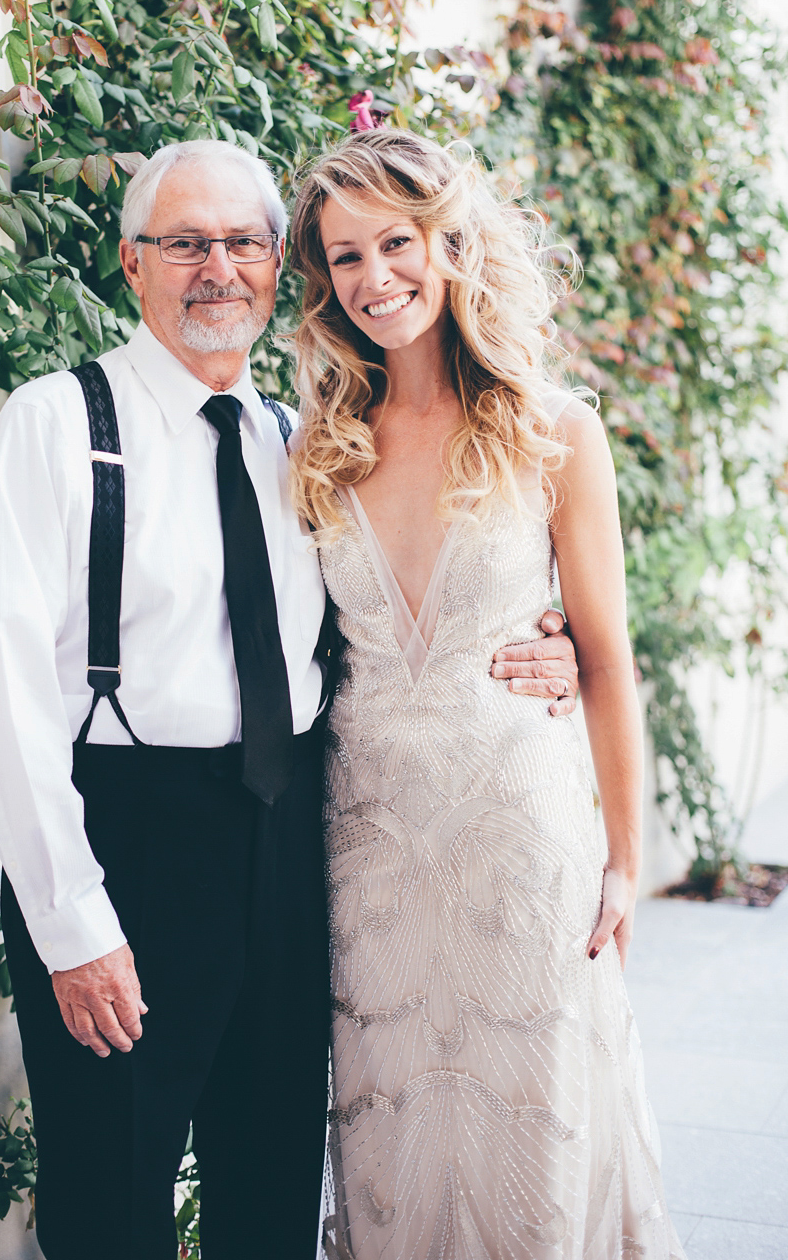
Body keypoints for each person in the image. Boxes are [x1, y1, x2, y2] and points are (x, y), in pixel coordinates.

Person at [0, 138, 579, 1260]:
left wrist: (552, 640)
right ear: (133, 264)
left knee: (272, 1190)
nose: (217, 268)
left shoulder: (304, 442)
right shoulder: (54, 426)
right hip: (126, 847)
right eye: (186, 243)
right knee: (112, 1204)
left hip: (292, 845)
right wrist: (71, 923)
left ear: (279, 263)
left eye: (243, 242)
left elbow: (400, 616)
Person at [287, 129, 686, 1260]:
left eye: (396, 244)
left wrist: (625, 856)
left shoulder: (554, 429)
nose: (375, 281)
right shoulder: (320, 445)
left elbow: (605, 659)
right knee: (391, 1148)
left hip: (523, 844)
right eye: (345, 258)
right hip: (369, 857)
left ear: (450, 243)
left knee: (532, 1150)